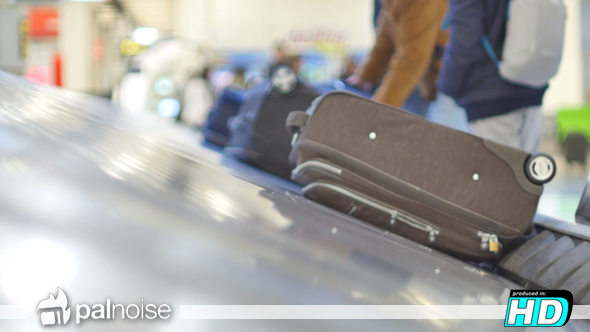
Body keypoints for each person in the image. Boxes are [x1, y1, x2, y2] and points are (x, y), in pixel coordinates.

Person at [437, 0, 548, 153]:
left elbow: (464, 36)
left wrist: (446, 86)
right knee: (526, 173)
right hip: (532, 87)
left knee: (497, 174)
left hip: (490, 99)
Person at [347, 0, 448, 110]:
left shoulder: (421, 3)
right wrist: (365, 78)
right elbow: (386, 38)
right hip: (419, 74)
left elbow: (412, 58)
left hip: (441, 78)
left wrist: (380, 108)